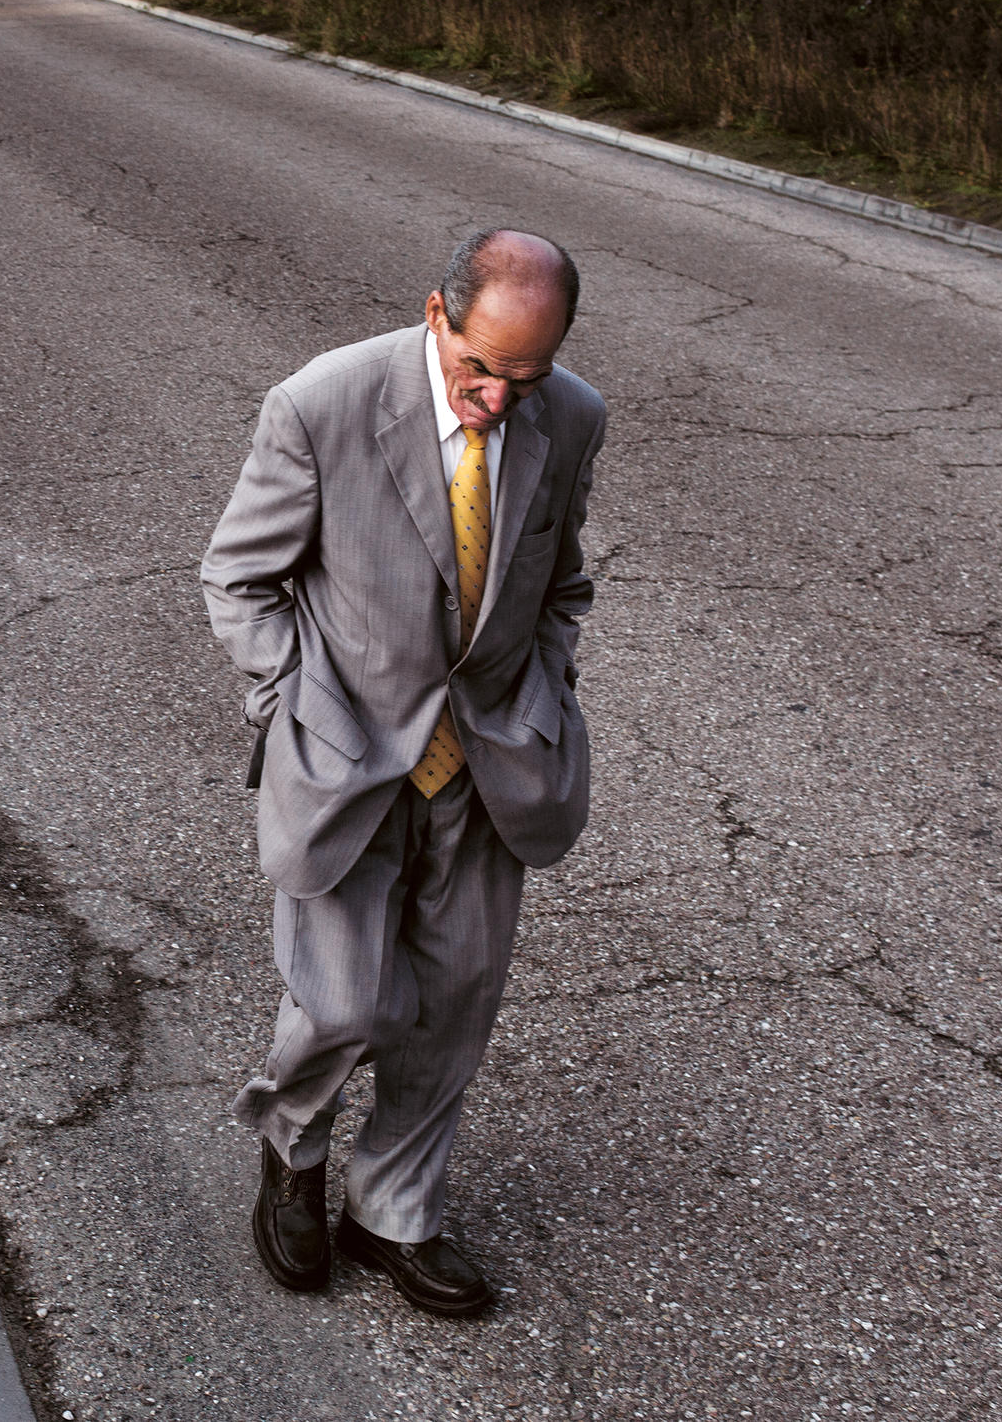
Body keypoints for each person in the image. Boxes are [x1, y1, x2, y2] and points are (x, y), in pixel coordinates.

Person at [200, 228, 606, 1318]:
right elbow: (240, 577)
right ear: (438, 313)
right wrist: (292, 705)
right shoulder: (322, 401)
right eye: (479, 370)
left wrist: (541, 692)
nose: (497, 402)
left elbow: (561, 580)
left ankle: (393, 1210)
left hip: (490, 760)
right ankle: (293, 1148)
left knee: (453, 1003)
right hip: (344, 755)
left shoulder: (571, 413)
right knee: (345, 1003)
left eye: (525, 377)